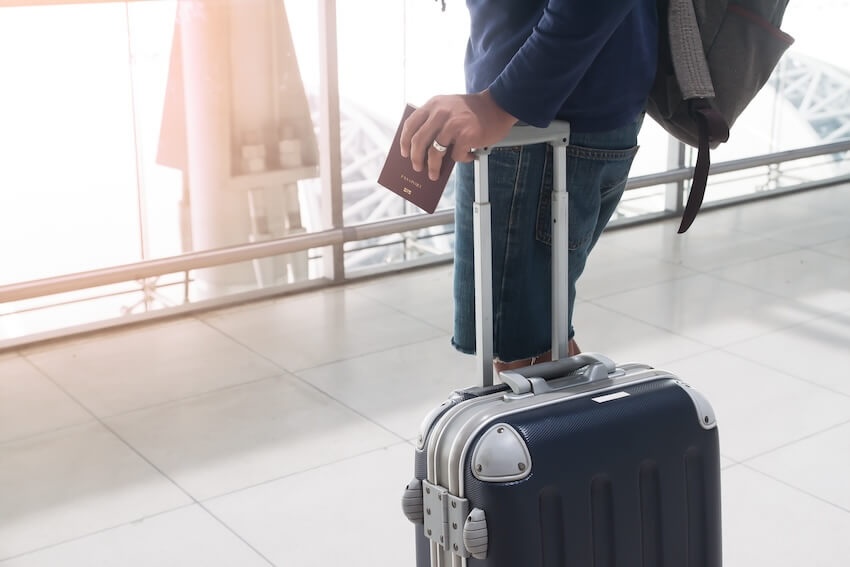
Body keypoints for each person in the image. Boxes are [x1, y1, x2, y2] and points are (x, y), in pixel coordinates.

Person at [400, 0, 658, 372]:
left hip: (534, 123)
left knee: (526, 358)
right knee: (538, 348)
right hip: (552, 109)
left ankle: (579, 430)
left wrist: (501, 102)